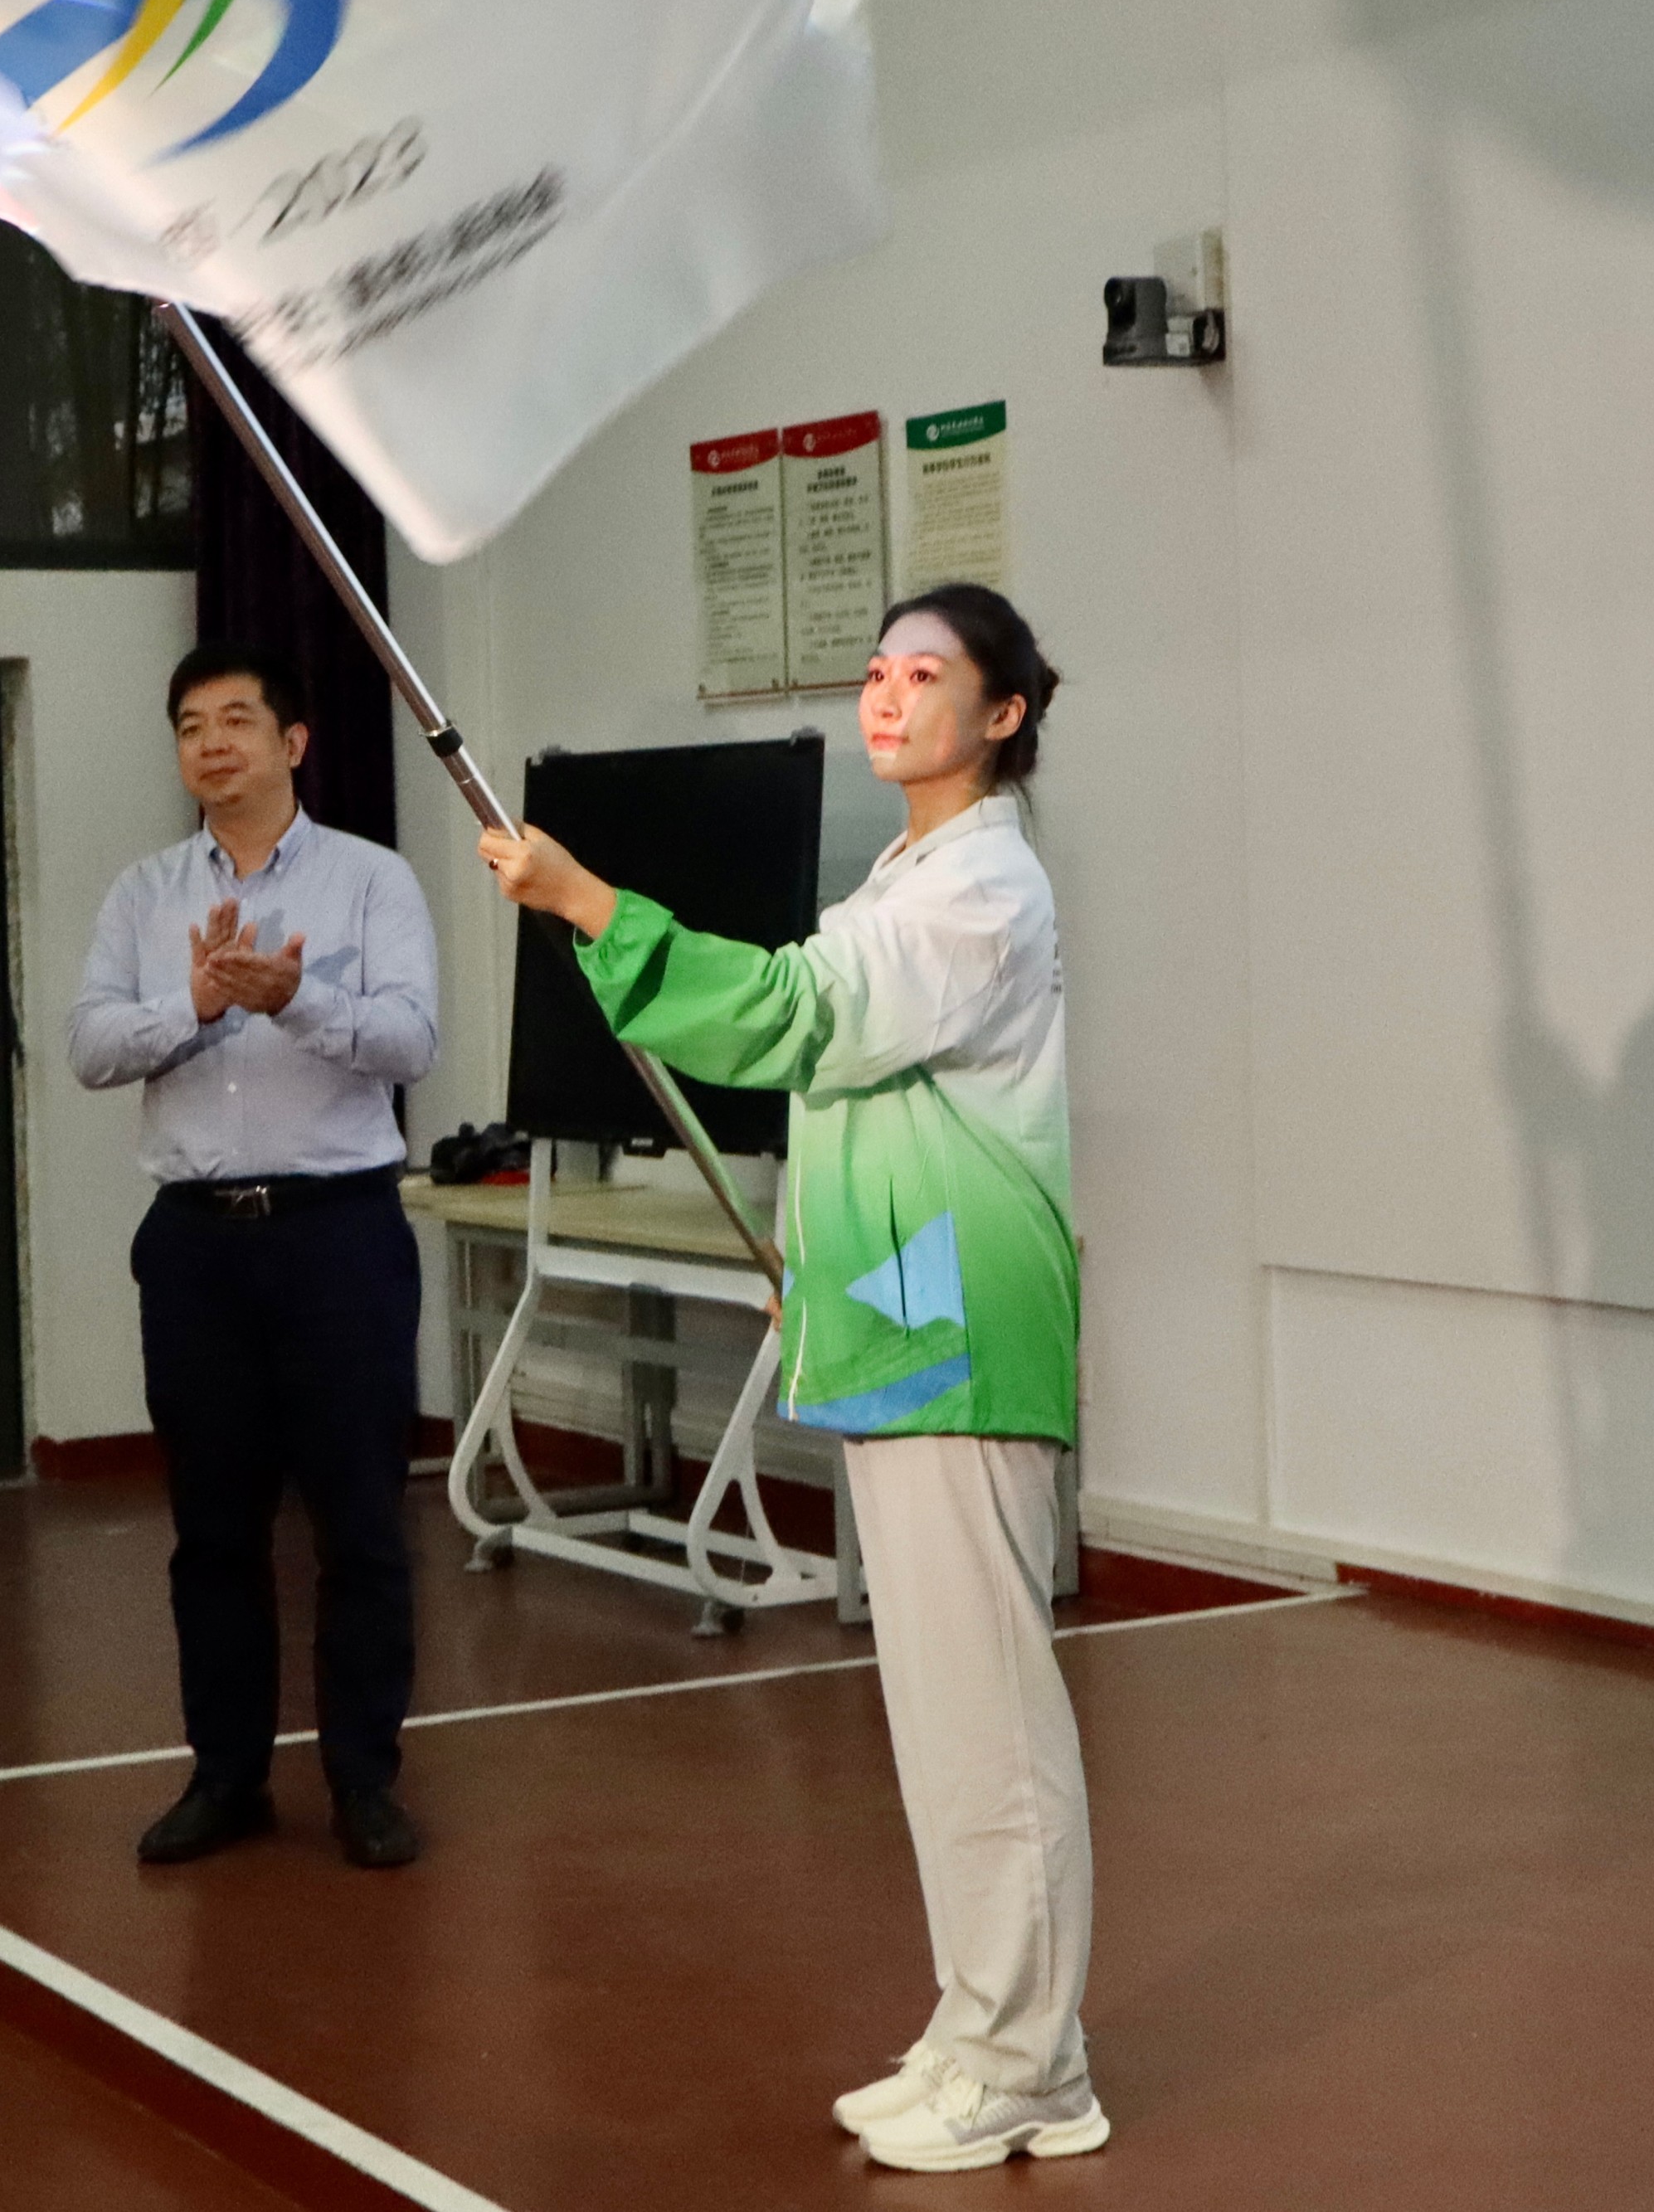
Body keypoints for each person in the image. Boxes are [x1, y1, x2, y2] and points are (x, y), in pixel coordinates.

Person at [479, 583, 1100, 2174]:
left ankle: (1032, 2065)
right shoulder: (907, 871)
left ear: (1004, 714)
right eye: (877, 670)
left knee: (989, 1715)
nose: (887, 695)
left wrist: (590, 904)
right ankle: (983, 2027)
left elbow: (796, 1017)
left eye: (927, 674)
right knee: (941, 1717)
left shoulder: (983, 889)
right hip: (901, 1310)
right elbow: (853, 1100)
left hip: (962, 1326)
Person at [71, 641, 439, 1872]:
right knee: (213, 1529)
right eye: (190, 726)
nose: (211, 743)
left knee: (359, 1524)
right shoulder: (143, 894)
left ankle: (364, 1782)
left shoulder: (372, 881)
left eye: (236, 719)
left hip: (339, 1237)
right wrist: (194, 1008)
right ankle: (226, 1777)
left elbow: (412, 1041)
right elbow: (89, 1047)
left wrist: (293, 999)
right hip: (196, 1248)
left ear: (294, 742)